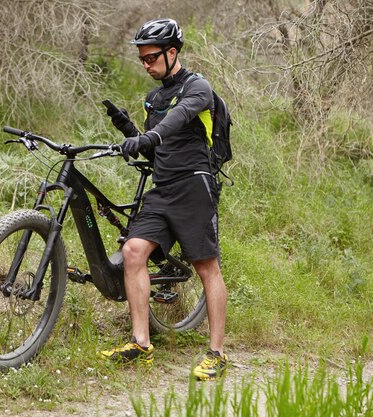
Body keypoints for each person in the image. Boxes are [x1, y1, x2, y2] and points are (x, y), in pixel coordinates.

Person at [100, 18, 228, 381]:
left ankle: (217, 353)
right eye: (141, 59)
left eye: (151, 57)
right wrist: (129, 130)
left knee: (206, 267)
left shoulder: (197, 87)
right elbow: (156, 151)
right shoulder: (153, 98)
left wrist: (149, 136)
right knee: (133, 252)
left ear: (172, 53)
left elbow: (178, 119)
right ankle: (141, 343)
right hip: (163, 188)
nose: (146, 64)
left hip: (194, 188)